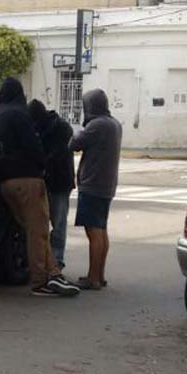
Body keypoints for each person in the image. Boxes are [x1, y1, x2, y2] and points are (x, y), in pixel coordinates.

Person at [0, 77, 80, 298]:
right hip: (27, 179)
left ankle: (53, 273)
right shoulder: (20, 114)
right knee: (39, 233)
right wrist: (42, 166)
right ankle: (41, 281)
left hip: (6, 181)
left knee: (32, 231)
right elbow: (33, 147)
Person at [69, 89, 123, 291]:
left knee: (93, 231)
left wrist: (76, 130)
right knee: (101, 229)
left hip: (93, 184)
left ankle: (93, 278)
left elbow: (74, 143)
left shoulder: (97, 125)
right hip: (107, 185)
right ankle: (99, 275)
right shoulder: (114, 124)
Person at [28, 99, 75, 270]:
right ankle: (50, 259)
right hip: (47, 180)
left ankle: (57, 260)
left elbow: (57, 155)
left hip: (59, 181)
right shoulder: (41, 127)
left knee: (58, 222)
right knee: (48, 223)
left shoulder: (60, 129)